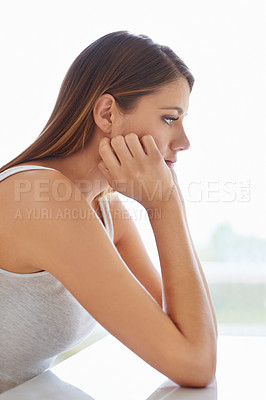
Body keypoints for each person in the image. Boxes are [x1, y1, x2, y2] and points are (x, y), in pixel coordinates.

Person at [0, 31, 217, 393]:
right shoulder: (39, 196)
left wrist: (166, 205)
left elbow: (189, 331)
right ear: (107, 113)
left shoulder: (104, 206)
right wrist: (165, 205)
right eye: (169, 118)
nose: (183, 141)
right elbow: (193, 365)